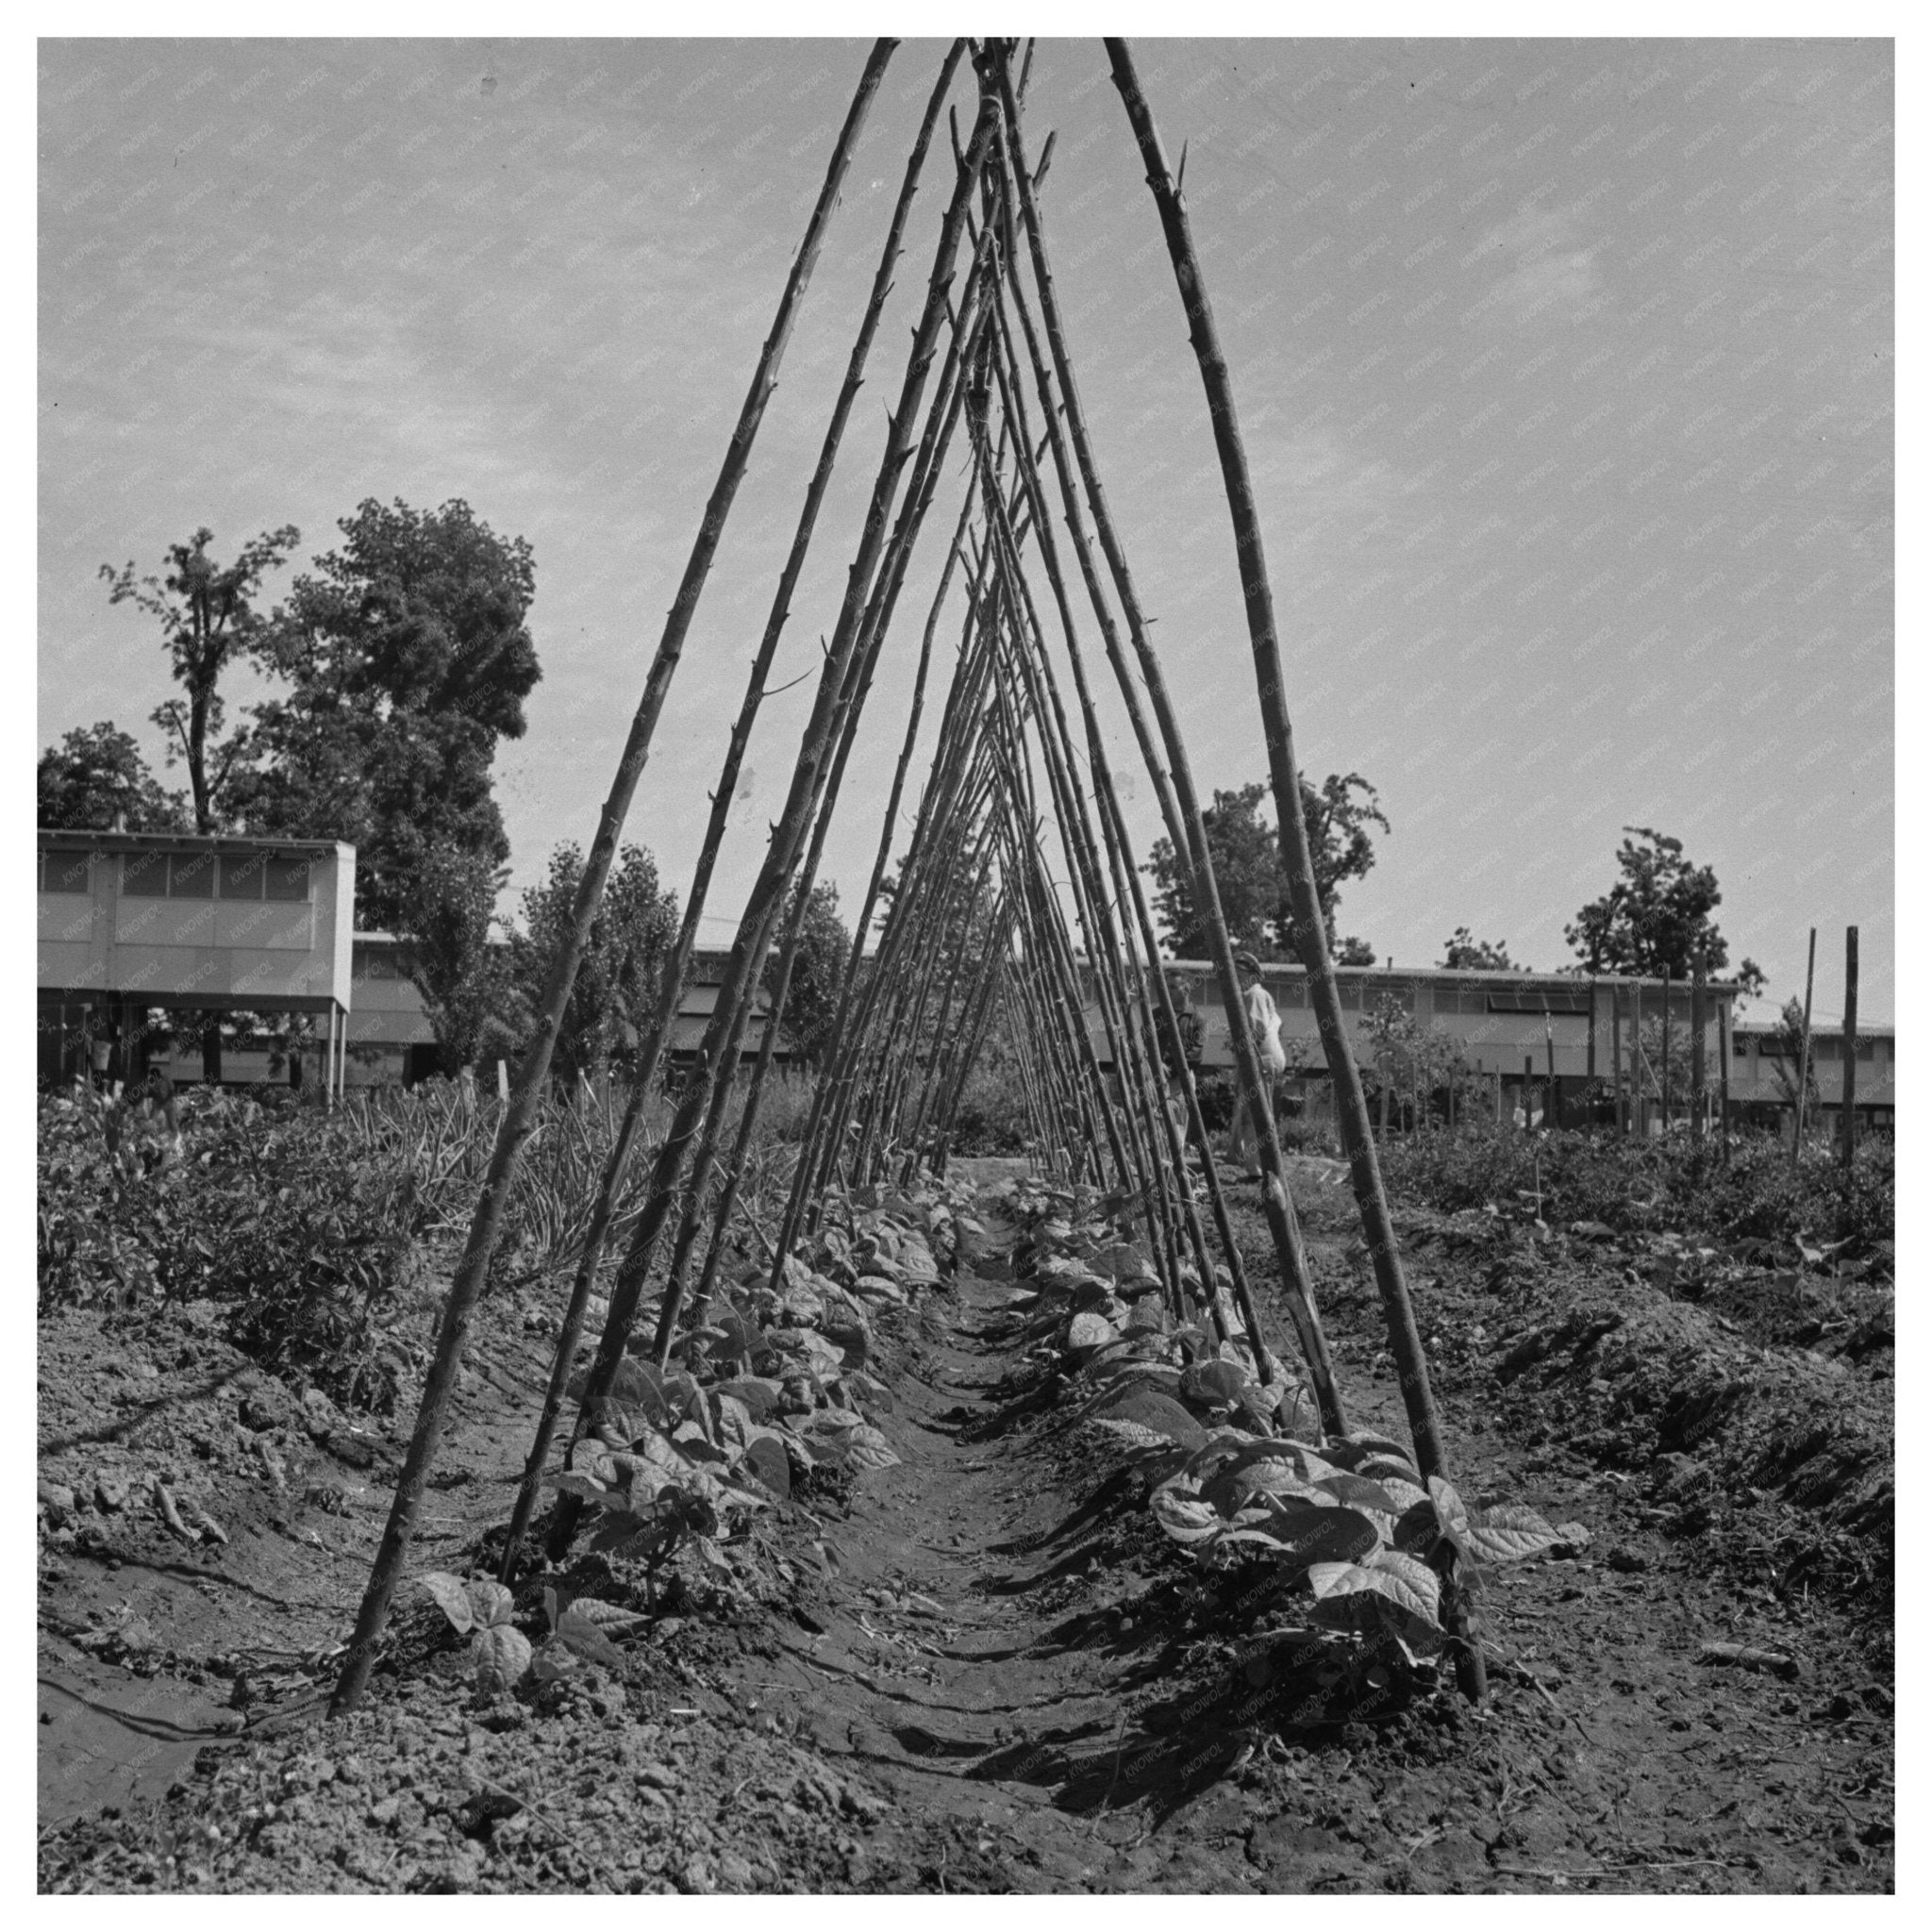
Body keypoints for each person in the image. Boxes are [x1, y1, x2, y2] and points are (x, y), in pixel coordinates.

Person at [1228, 951, 1287, 1177]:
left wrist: (1237, 1047)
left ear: (1253, 975)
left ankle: (1260, 1169)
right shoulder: (1255, 995)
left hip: (1261, 1061)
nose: (1237, 978)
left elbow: (1256, 1030)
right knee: (1256, 1113)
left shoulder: (1254, 994)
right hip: (1262, 1060)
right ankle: (1257, 1166)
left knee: (1254, 1115)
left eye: (1240, 974)